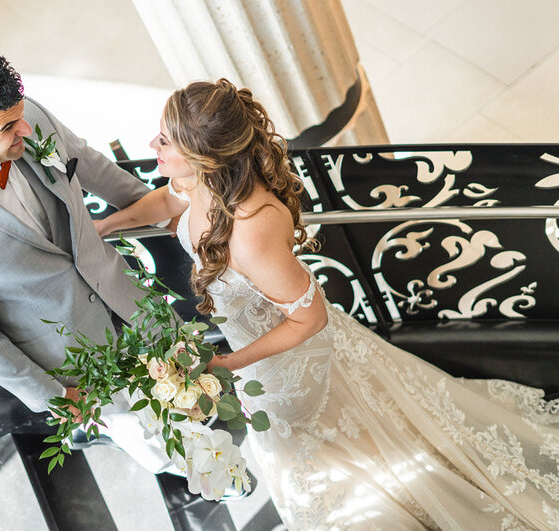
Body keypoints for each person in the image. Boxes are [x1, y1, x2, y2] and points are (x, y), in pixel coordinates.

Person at [94, 79, 559, 529]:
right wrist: (105, 227)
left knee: (305, 446)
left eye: (166, 140)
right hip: (252, 349)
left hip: (289, 362)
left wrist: (230, 363)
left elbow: (309, 317)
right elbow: (166, 203)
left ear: (204, 156)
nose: (152, 143)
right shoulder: (198, 180)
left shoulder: (252, 229)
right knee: (347, 431)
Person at [0, 49, 172, 473]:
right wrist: (55, 397)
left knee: (187, 393)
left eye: (21, 114)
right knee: (148, 438)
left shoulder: (31, 122)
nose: (25, 129)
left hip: (130, 300)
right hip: (81, 363)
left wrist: (162, 207)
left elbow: (92, 165)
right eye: (9, 126)